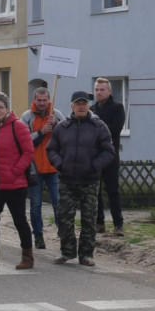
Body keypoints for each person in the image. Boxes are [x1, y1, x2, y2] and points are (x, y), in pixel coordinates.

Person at [46, 91, 116, 267]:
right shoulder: (62, 127)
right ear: (72, 106)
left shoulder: (99, 126)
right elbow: (51, 149)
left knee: (89, 219)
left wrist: (94, 166)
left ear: (88, 105)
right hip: (67, 180)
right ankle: (67, 251)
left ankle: (86, 254)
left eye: (84, 103)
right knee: (64, 218)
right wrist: (60, 164)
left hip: (89, 181)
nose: (82, 106)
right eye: (78, 104)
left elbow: (109, 151)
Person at [0, 92, 36, 270]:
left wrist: (15, 171)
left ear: (7, 108)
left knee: (19, 220)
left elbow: (28, 152)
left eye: (0, 107)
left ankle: (27, 257)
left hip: (15, 184)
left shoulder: (18, 126)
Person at [21, 87, 65, 250]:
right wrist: (41, 132)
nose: (41, 103)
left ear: (49, 100)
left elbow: (66, 135)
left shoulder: (56, 115)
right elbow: (23, 140)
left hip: (54, 167)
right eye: (38, 100)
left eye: (44, 100)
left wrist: (56, 126)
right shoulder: (26, 117)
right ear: (34, 100)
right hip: (35, 169)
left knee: (58, 202)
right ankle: (38, 235)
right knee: (36, 204)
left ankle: (63, 232)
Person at [91, 78, 126, 236]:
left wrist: (96, 131)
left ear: (109, 91)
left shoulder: (117, 107)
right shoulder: (92, 109)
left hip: (110, 155)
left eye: (102, 89)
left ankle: (118, 224)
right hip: (95, 156)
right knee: (95, 191)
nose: (99, 92)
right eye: (96, 90)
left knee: (113, 190)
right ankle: (99, 222)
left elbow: (115, 129)